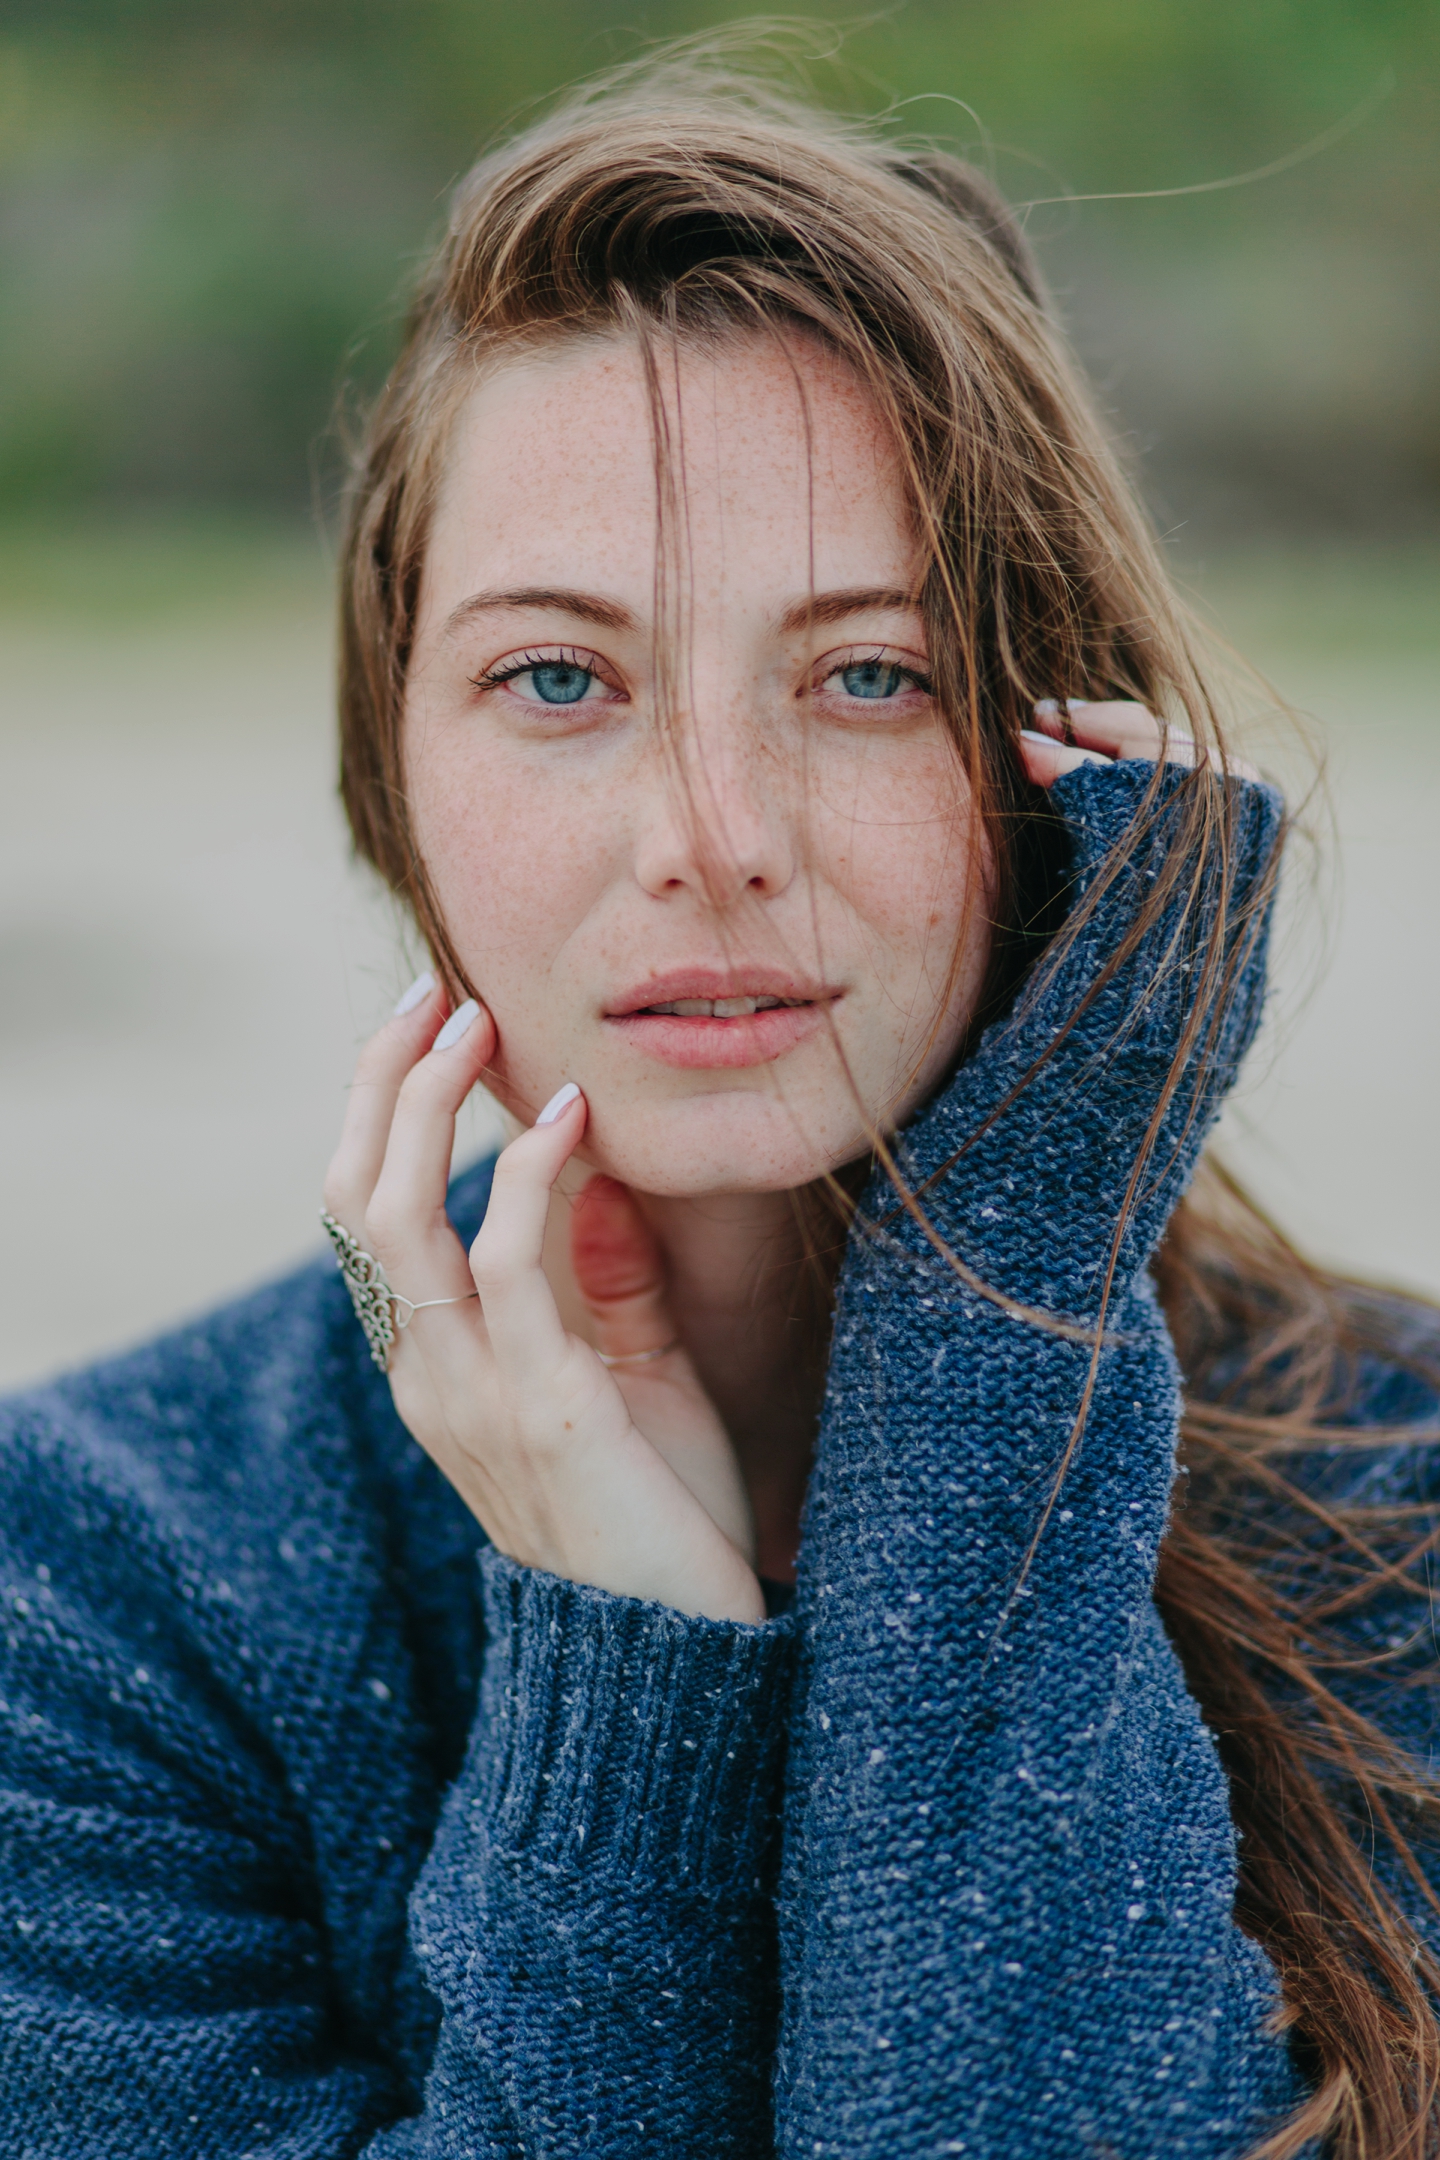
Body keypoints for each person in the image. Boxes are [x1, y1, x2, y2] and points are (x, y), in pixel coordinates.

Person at [2, 54, 1437, 2160]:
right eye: (560, 682)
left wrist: (1001, 1332)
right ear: (392, 771)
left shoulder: (1399, 1496)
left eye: (870, 675)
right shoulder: (94, 1582)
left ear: (1055, 763)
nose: (712, 835)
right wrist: (629, 1664)